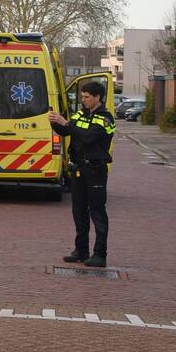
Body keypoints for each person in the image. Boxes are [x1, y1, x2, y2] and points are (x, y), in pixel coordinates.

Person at [48, 80, 115, 268]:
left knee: (97, 212)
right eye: (82, 97)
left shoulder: (105, 118)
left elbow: (87, 138)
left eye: (86, 97)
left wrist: (66, 123)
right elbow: (66, 131)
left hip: (95, 170)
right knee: (78, 211)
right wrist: (55, 122)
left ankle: (100, 255)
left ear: (97, 97)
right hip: (78, 170)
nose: (83, 100)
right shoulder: (81, 114)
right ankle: (81, 250)